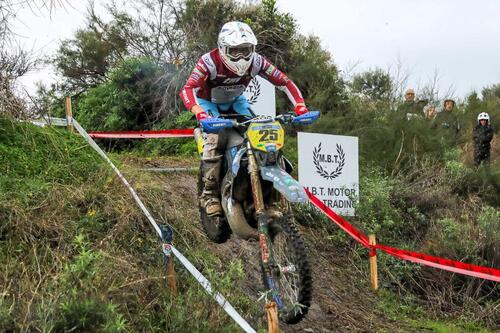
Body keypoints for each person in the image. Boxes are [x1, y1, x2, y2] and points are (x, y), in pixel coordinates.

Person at [179, 21, 309, 216]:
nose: (241, 57)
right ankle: (209, 195)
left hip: (237, 100)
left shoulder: (257, 61)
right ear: (223, 48)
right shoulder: (209, 61)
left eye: (246, 50)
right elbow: (188, 89)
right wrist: (200, 112)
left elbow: (284, 82)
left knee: (263, 132)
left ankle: (268, 194)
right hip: (209, 103)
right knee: (216, 138)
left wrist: (300, 106)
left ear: (253, 48)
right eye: (235, 51)